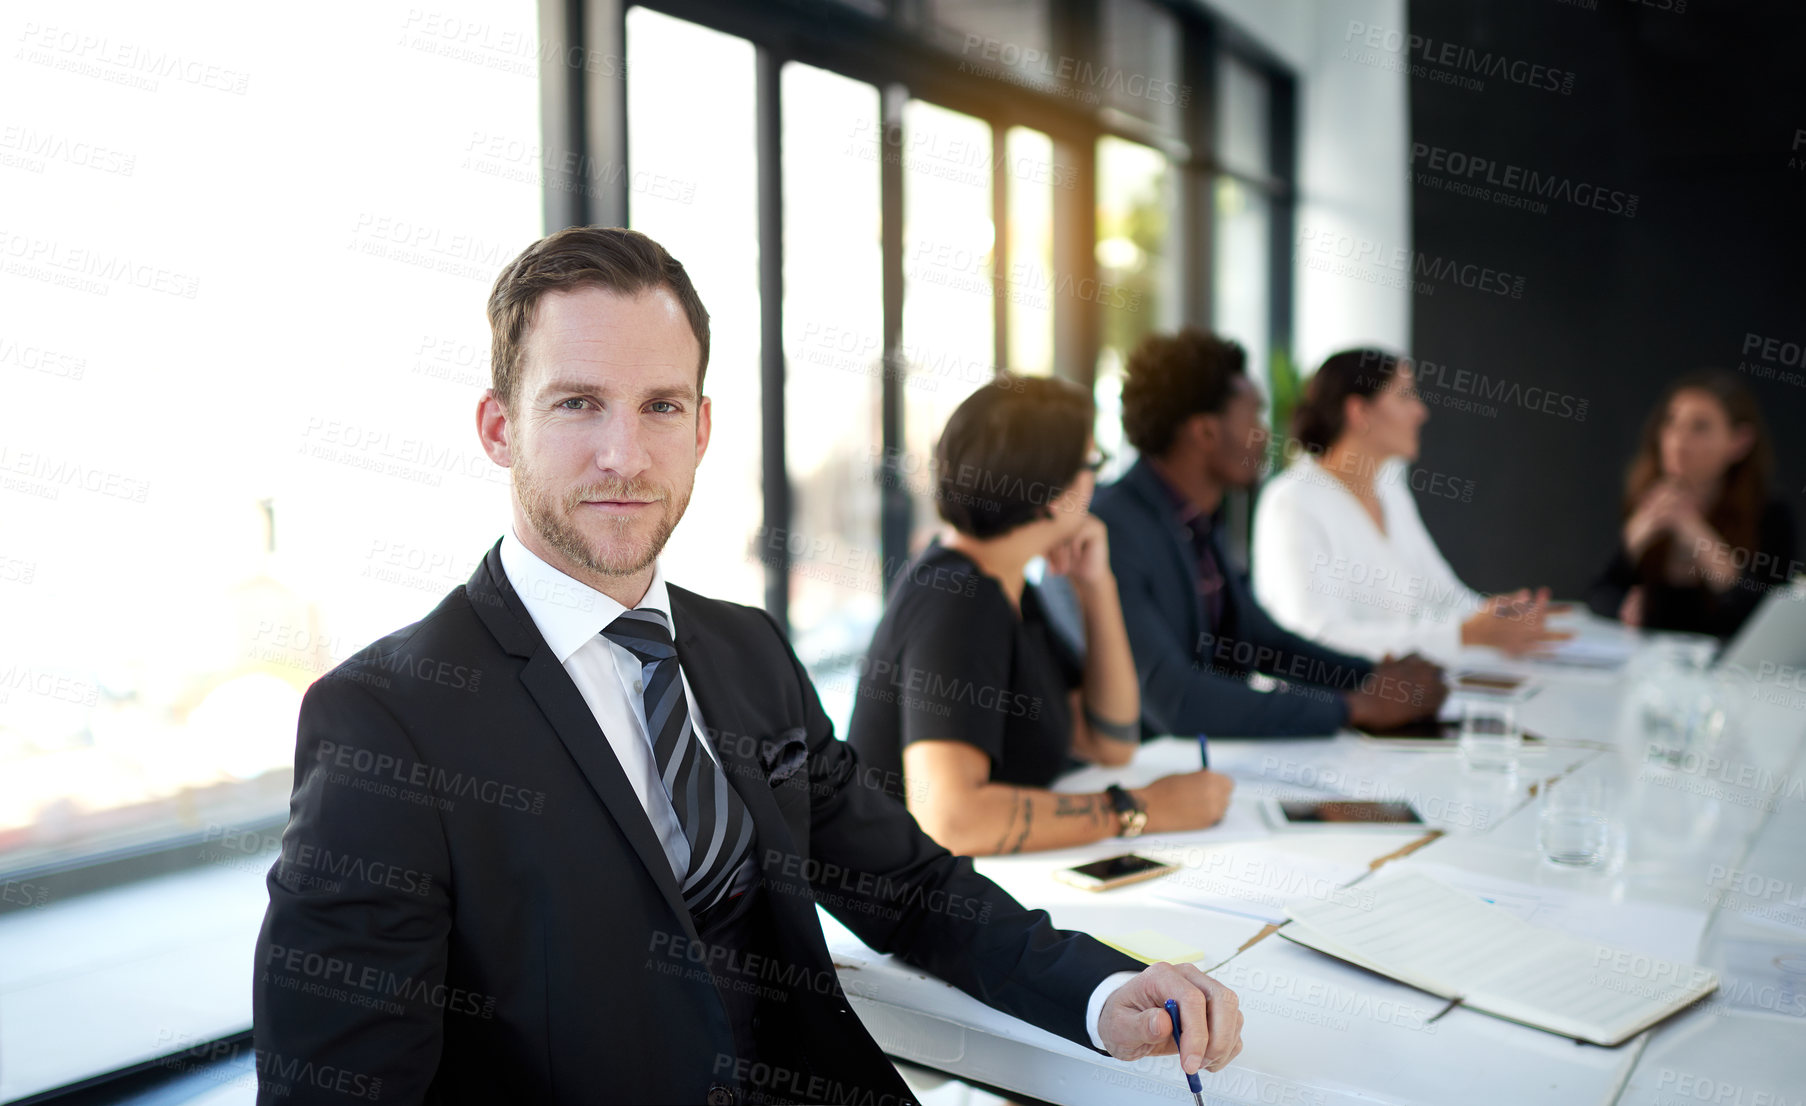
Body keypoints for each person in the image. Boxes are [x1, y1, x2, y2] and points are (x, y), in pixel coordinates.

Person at [251, 227, 1243, 1106]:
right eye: (578, 403)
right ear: (498, 428)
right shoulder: (389, 716)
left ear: (703, 429)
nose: (624, 455)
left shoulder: (746, 649)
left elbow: (909, 886)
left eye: (660, 406)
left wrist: (1104, 990)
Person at [847, 376, 1234, 856]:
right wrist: (1142, 807)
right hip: (918, 911)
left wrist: (1097, 588)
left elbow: (1109, 742)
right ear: (1053, 494)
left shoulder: (1009, 587)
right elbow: (952, 820)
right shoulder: (959, 599)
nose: (1099, 482)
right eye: (1093, 465)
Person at [1093, 328, 1447, 741]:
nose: (1266, 434)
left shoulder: (1193, 521)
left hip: (1202, 764)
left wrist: (1370, 675)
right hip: (1141, 772)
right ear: (1206, 433)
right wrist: (1356, 706)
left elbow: (1261, 641)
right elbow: (1176, 701)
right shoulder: (1117, 529)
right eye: (1254, 416)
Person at [1251, 349, 1571, 665]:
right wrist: (1463, 634)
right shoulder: (1292, 503)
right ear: (1359, 412)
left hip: (1395, 701)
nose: (1421, 412)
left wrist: (1500, 617)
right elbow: (1318, 638)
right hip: (1328, 709)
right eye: (1405, 397)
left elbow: (1443, 596)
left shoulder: (1392, 493)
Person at [1586, 370, 1797, 638]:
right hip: (1652, 670)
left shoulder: (1770, 512)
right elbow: (1598, 593)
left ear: (1739, 442)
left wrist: (1695, 532)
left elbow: (1772, 622)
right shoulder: (1645, 498)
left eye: (1700, 427)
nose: (1678, 440)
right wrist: (1634, 543)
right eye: (1671, 422)